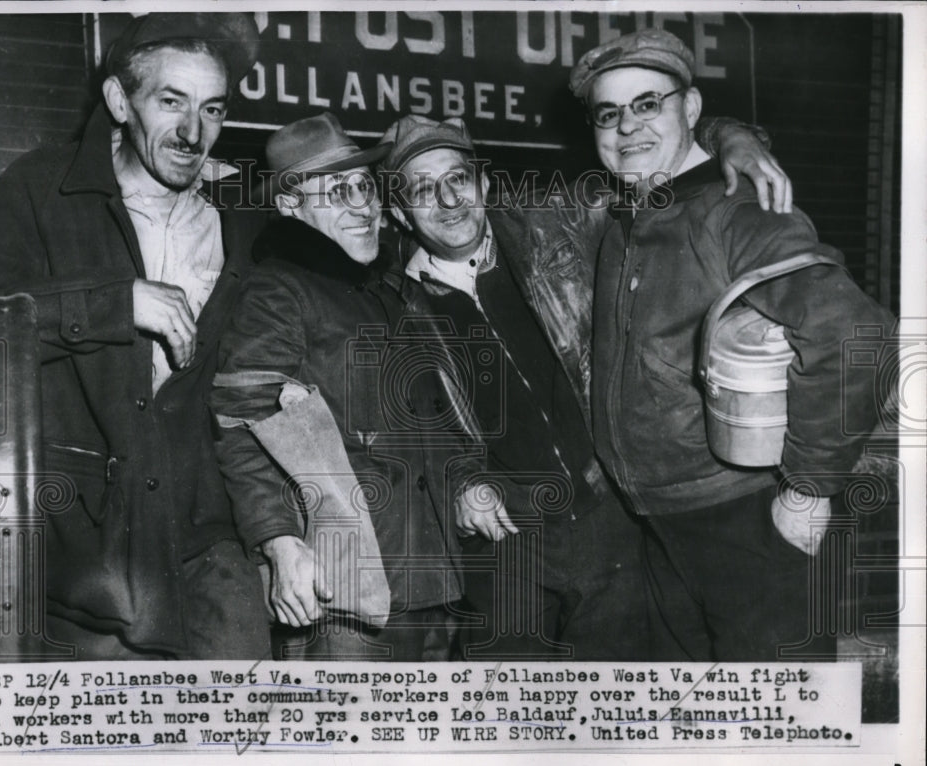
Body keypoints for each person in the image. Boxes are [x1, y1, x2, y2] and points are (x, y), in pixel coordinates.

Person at [376, 111, 791, 659]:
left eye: (457, 178)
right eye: (423, 190)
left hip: (608, 514)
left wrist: (732, 136)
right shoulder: (387, 303)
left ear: (484, 183)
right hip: (502, 539)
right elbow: (399, 432)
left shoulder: (560, 223)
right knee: (510, 713)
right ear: (401, 213)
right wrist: (458, 485)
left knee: (615, 708)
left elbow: (652, 154)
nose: (449, 200)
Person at [564, 28, 895, 660]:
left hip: (747, 522)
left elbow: (856, 333)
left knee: (780, 732)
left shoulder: (738, 210)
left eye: (648, 104)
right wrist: (728, 134)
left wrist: (808, 487)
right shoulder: (625, 218)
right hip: (658, 527)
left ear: (689, 110)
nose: (628, 127)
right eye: (609, 113)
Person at [0, 13, 272, 660]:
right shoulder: (42, 189)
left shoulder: (240, 218)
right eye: (171, 102)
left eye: (213, 108)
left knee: (250, 740)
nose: (192, 132)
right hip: (86, 551)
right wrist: (110, 304)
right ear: (120, 101)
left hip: (208, 542)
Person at [210, 112, 490, 660]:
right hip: (343, 589)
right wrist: (279, 543)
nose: (362, 205)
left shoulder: (390, 289)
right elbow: (241, 417)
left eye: (363, 184)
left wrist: (468, 480)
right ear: (291, 205)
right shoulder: (279, 289)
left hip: (432, 577)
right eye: (337, 191)